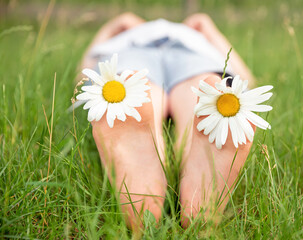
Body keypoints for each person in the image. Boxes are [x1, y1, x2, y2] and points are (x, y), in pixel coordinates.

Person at [79, 12, 256, 229]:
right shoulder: (194, 36)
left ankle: (150, 178)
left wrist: (113, 27)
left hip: (139, 52)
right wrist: (208, 30)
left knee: (142, 87)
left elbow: (83, 73)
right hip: (190, 54)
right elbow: (244, 76)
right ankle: (194, 168)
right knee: (193, 92)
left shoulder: (130, 35)